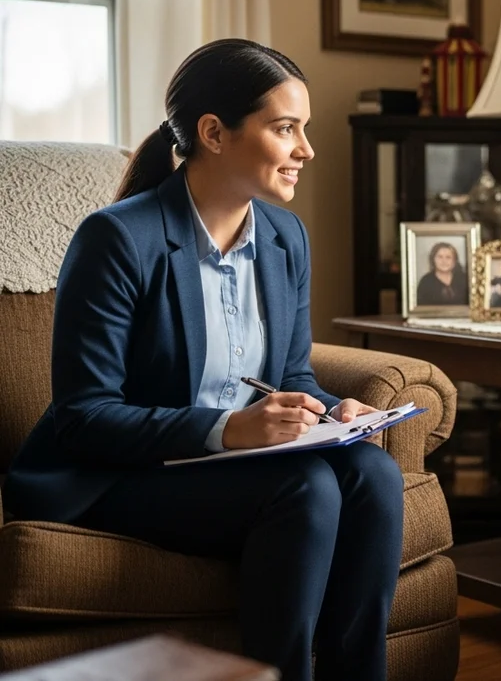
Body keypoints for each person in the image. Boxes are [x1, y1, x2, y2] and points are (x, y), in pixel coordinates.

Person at [3, 39, 405, 681]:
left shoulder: (284, 237)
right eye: (286, 129)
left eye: (305, 130)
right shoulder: (116, 239)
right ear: (214, 132)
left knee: (374, 475)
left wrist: (335, 413)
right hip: (122, 473)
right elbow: (84, 415)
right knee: (306, 487)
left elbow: (291, 376)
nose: (306, 149)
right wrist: (228, 430)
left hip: (238, 469)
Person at [416, 240, 466, 305]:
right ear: (433, 260)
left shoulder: (464, 279)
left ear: (454, 261)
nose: (444, 261)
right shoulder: (426, 282)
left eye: (448, 257)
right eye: (440, 257)